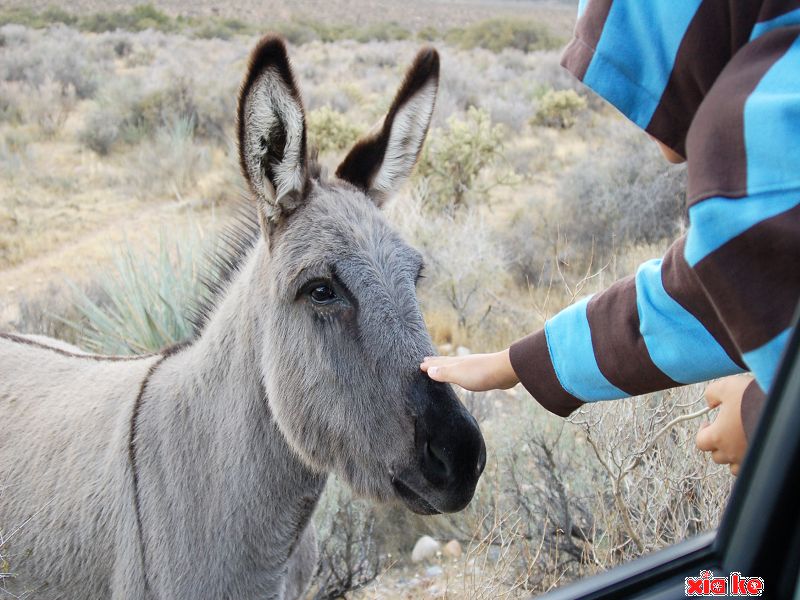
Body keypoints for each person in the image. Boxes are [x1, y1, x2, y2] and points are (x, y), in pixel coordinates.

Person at [421, 0, 800, 475]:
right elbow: (696, 300)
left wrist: (767, 414)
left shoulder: (756, 134)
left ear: (685, 37)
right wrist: (515, 364)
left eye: (639, 76)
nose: (639, 120)